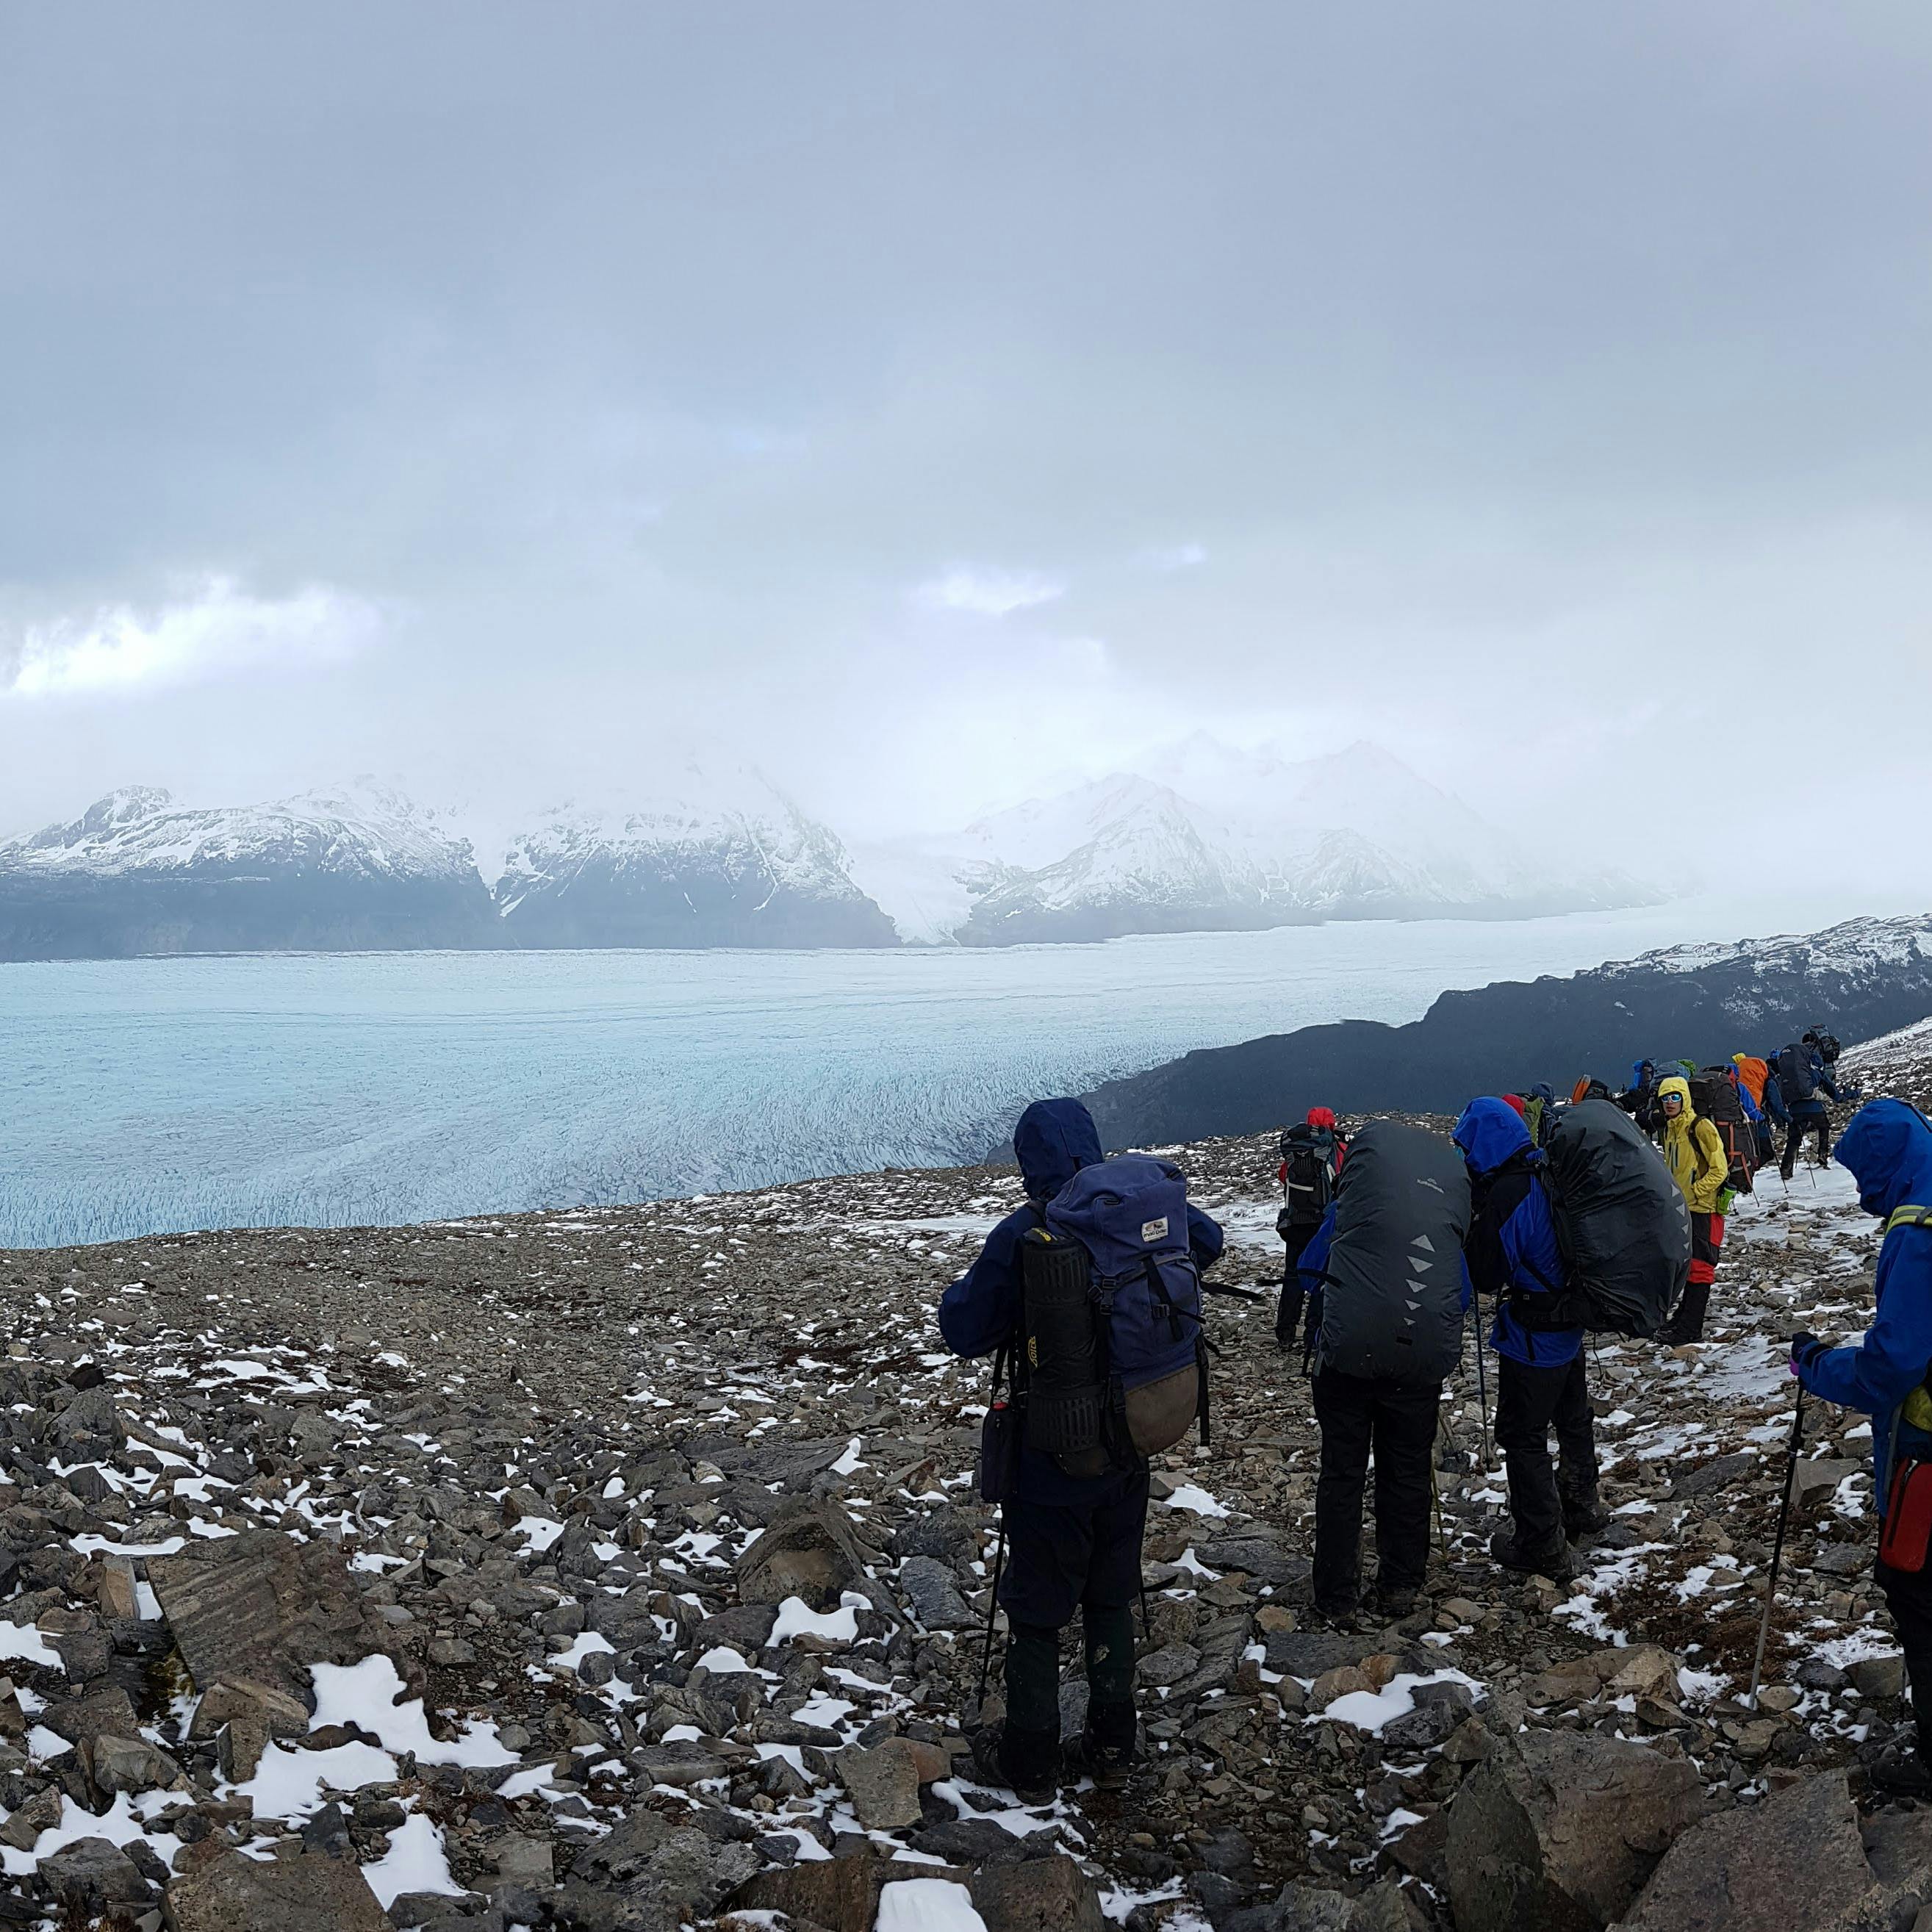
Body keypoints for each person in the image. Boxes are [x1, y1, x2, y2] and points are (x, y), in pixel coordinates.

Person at [939, 1097, 1224, 1799]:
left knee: (1037, 1604)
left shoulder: (1028, 1231)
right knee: (1109, 1590)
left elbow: (963, 1328)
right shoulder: (1137, 1210)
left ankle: (1030, 1758)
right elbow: (1207, 1241)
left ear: (1028, 1160)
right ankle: (1112, 1741)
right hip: (1133, 1435)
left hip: (1051, 1454)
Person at [1791, 1101, 1932, 1796]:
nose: (1860, 1191)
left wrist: (1815, 1364)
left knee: (1916, 1585)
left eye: (1861, 1173)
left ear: (1884, 1162)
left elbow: (1892, 1365)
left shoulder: (1917, 1229)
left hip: (1928, 1453)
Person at [1296, 1121, 1471, 1623]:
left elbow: (1309, 1273)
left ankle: (1335, 1595)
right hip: (1415, 1369)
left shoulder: (1345, 1216)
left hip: (1346, 1364)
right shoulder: (1439, 1231)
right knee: (1408, 1471)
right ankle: (1399, 1585)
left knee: (1343, 1473)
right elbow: (1457, 1295)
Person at [1454, 1096, 1604, 1578]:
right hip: (1570, 1323)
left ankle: (1541, 1544)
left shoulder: (1508, 1192)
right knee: (1573, 1418)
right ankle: (1582, 1505)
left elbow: (1484, 1272)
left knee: (1522, 1437)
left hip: (1532, 1337)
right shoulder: (1551, 1171)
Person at [1654, 1074, 1729, 1344]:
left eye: (1675, 1096)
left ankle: (1691, 1328)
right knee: (1689, 1264)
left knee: (1701, 1266)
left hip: (1705, 1208)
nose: (1670, 1102)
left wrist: (1696, 1191)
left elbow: (1720, 1169)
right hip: (1685, 1208)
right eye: (1665, 1098)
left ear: (1685, 1098)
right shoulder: (1672, 1129)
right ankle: (1683, 1319)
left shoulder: (1701, 1126)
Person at [1276, 1106, 1346, 1362]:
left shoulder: (1295, 1151)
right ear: (1333, 1124)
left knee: (1292, 1275)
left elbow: (1284, 1178)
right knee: (1320, 1276)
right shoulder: (1336, 1150)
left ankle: (1285, 1332)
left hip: (1294, 1223)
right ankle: (1313, 1335)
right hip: (1323, 1224)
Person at [1773, 1036, 1842, 1180]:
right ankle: (1822, 1155)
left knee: (1794, 1139)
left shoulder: (1789, 1068)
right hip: (1813, 1106)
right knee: (1824, 1126)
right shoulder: (1812, 1064)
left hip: (1794, 1108)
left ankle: (1786, 1170)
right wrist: (1838, 1097)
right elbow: (1825, 1081)